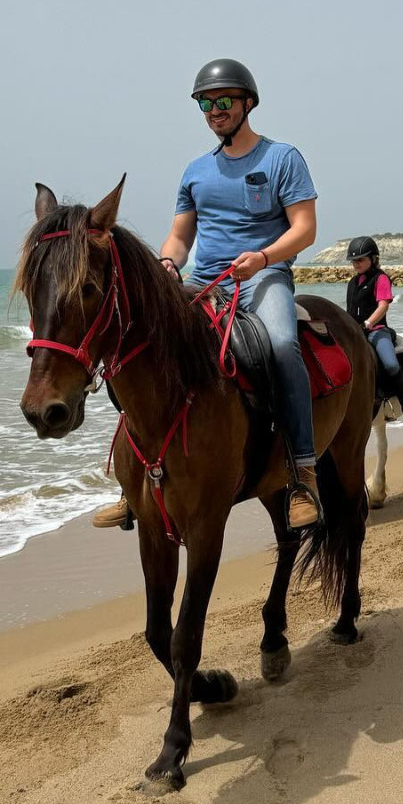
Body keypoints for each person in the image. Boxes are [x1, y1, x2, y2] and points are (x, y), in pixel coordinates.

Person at [160, 57, 322, 529]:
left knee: (282, 344)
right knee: (145, 346)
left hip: (261, 277)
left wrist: (265, 258)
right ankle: (142, 476)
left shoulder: (282, 158)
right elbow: (180, 237)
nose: (215, 110)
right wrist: (169, 262)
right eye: (206, 104)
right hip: (205, 281)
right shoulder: (194, 171)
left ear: (247, 103)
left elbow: (305, 229)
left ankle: (303, 473)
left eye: (224, 101)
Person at [346, 236, 403, 430]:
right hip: (357, 333)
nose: (356, 264)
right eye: (354, 261)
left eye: (360, 260)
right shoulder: (352, 283)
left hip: (377, 331)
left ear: (373, 259)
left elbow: (383, 306)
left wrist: (368, 323)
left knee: (390, 364)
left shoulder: (380, 278)